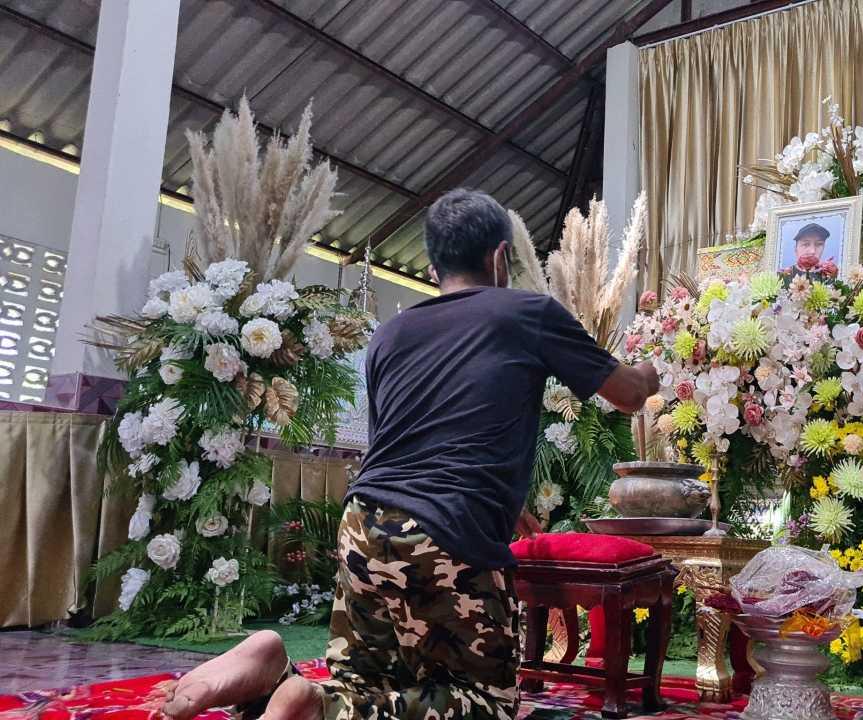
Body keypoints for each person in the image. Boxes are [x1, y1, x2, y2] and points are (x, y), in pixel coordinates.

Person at [160, 189, 660, 720]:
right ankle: (317, 710)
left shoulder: (390, 335)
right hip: (448, 531)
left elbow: (399, 443)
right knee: (490, 704)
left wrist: (505, 503)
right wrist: (655, 371)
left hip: (363, 522)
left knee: (369, 680)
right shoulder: (528, 312)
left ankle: (274, 672)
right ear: (500, 258)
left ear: (433, 266)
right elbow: (628, 394)